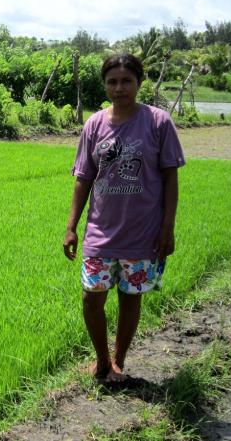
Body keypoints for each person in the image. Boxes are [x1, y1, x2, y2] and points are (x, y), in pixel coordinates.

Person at [63, 53, 185, 382]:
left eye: (126, 81)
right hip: (100, 231)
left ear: (139, 82)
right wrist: (71, 227)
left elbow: (170, 177)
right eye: (112, 82)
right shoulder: (94, 124)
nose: (119, 88)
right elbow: (83, 178)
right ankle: (102, 360)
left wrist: (167, 228)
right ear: (104, 85)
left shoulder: (158, 122)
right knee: (91, 299)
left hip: (143, 233)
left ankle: (118, 361)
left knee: (130, 300)